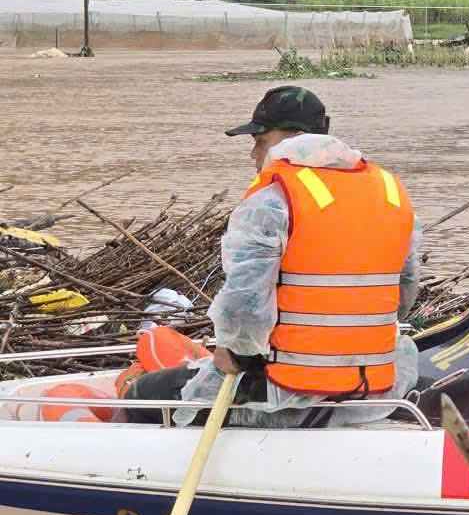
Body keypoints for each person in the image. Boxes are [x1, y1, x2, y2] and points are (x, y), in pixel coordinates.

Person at [124, 85, 421, 427]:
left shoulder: (275, 198)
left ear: (290, 138)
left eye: (260, 141)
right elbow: (404, 294)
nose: (253, 153)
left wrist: (234, 352)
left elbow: (245, 302)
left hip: (288, 393)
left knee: (143, 395)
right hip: (372, 389)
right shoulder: (389, 192)